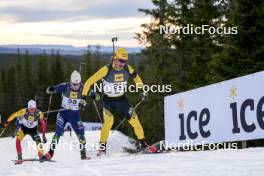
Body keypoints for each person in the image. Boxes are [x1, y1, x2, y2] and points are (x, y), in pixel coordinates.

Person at [80, 48, 157, 156]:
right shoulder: (106, 70)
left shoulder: (127, 68)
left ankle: (144, 144)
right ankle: (102, 149)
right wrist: (83, 97)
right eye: (120, 60)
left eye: (124, 61)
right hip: (108, 101)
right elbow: (89, 82)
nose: (122, 63)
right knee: (108, 123)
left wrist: (142, 91)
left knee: (135, 121)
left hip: (122, 100)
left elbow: (137, 78)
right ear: (115, 59)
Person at [43, 70, 90, 160]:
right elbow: (52, 89)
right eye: (74, 84)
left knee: (81, 135)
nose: (76, 86)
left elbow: (92, 94)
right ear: (71, 82)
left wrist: (94, 96)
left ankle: (83, 155)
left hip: (75, 116)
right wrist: (50, 89)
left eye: (78, 84)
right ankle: (50, 153)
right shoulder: (65, 86)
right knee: (58, 132)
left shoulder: (83, 88)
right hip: (63, 114)